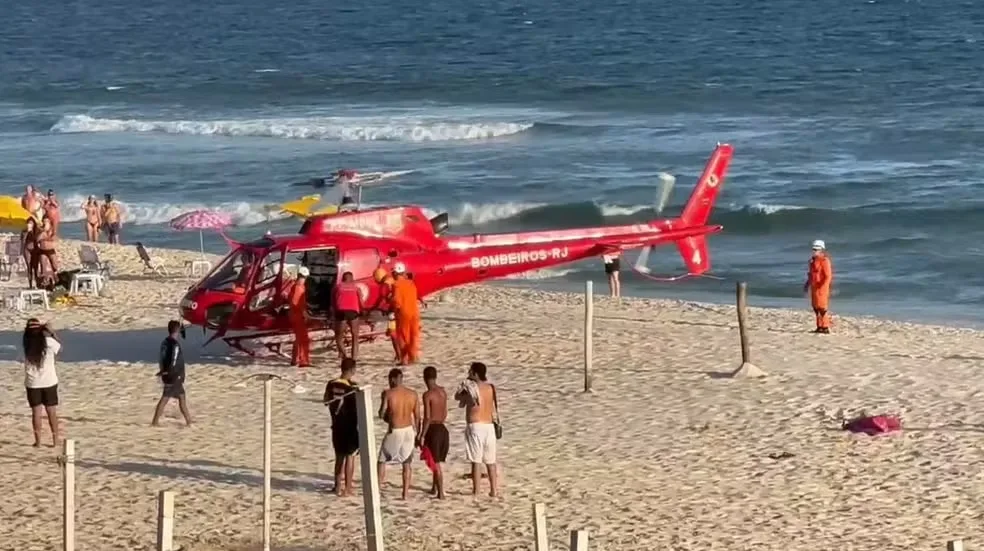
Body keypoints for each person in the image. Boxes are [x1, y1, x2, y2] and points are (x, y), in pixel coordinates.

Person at [454, 362, 500, 497]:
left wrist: (464, 387)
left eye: (470, 372)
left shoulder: (471, 388)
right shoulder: (491, 387)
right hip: (489, 425)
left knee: (476, 460)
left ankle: (477, 491)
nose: (468, 374)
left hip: (476, 425)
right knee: (491, 461)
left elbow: (458, 397)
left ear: (475, 374)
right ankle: (493, 490)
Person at [377, 368, 419, 500]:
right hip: (409, 430)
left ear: (393, 379)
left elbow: (381, 413)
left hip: (395, 429)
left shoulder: (389, 393)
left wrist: (387, 416)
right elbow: (417, 416)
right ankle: (405, 493)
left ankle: (377, 489)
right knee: (407, 462)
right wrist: (417, 433)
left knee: (382, 460)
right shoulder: (413, 394)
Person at [22, 318, 62, 447]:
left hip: (33, 382)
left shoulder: (27, 343)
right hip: (49, 381)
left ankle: (38, 441)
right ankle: (55, 440)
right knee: (51, 412)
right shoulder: (49, 342)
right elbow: (59, 348)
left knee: (36, 413)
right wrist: (51, 332)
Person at [324, 358, 359, 497]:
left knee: (339, 457)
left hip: (336, 424)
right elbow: (357, 408)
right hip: (349, 425)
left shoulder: (331, 384)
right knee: (350, 456)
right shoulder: (353, 387)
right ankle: (348, 487)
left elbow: (326, 401)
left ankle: (337, 486)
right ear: (352, 370)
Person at [152, 320, 193, 426]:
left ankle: (189, 421)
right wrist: (171, 372)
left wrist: (163, 371)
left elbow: (162, 358)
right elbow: (173, 360)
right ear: (177, 330)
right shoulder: (175, 345)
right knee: (171, 398)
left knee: (177, 397)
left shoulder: (165, 342)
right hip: (174, 376)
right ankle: (155, 422)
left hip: (168, 375)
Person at [419, 366, 449, 499]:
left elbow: (427, 417)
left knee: (435, 462)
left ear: (425, 378)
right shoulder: (443, 392)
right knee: (435, 459)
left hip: (433, 429)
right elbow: (445, 412)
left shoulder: (427, 395)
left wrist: (422, 434)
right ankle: (433, 487)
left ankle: (441, 492)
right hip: (443, 428)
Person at [391, 262, 420, 365]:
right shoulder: (411, 283)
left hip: (403, 313)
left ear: (395, 273)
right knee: (413, 334)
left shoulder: (396, 284)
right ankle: (413, 357)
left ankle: (404, 359)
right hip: (414, 312)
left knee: (403, 336)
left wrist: (395, 310)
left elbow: (397, 301)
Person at [804, 239, 833, 334]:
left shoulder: (825, 261)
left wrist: (823, 285)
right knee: (815, 307)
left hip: (822, 287)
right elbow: (810, 274)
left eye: (816, 249)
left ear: (821, 250)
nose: (814, 251)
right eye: (813, 249)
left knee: (822, 307)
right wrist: (807, 284)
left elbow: (828, 276)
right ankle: (819, 326)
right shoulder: (812, 261)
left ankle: (825, 327)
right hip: (814, 286)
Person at [373, 266, 402, 362]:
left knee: (393, 334)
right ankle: (402, 354)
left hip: (393, 311)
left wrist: (375, 308)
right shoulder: (393, 279)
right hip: (402, 309)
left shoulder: (385, 284)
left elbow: (381, 298)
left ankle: (399, 356)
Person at [333, 271, 364, 360]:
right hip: (353, 312)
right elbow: (361, 302)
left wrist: (334, 312)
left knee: (339, 336)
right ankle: (354, 358)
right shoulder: (356, 288)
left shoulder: (337, 287)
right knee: (355, 335)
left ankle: (344, 356)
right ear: (352, 278)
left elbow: (333, 301)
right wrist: (364, 311)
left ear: (343, 279)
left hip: (341, 311)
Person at [288, 266, 312, 367]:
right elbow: (296, 303)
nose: (303, 279)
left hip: (295, 314)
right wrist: (305, 313)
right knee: (303, 338)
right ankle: (303, 360)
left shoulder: (297, 286)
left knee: (298, 338)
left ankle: (295, 359)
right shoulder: (298, 287)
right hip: (297, 315)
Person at [36, 217, 58, 287]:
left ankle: (55, 277)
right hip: (42, 250)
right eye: (44, 221)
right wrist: (42, 233)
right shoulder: (40, 230)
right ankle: (45, 282)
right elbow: (37, 239)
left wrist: (47, 236)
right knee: (43, 266)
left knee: (54, 265)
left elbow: (55, 239)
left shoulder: (52, 230)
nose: (45, 223)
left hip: (51, 250)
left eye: (47, 221)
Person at [20, 218, 38, 288]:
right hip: (27, 249)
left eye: (31, 223)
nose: (29, 224)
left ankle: (37, 284)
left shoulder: (36, 231)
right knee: (29, 267)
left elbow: (37, 240)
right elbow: (23, 242)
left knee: (35, 267)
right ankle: (30, 285)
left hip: (35, 250)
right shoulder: (24, 231)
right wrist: (27, 232)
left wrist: (32, 232)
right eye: (28, 223)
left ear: (34, 224)